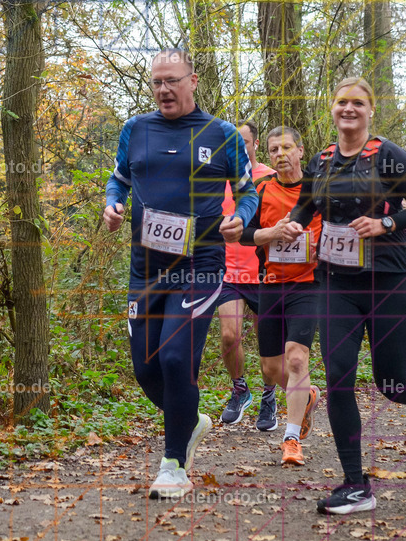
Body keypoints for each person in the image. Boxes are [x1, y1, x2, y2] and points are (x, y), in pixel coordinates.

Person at [282, 77, 406, 515]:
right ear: (332, 109)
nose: (348, 109)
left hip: (389, 282)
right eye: (341, 102)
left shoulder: (388, 156)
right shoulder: (320, 161)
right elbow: (306, 205)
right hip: (337, 283)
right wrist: (295, 223)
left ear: (370, 110)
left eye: (357, 103)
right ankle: (355, 485)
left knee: (390, 381)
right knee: (338, 377)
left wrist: (387, 225)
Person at [103, 49, 258, 499]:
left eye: (172, 80)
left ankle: (173, 464)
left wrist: (241, 219)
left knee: (175, 361)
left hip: (201, 264)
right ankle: (189, 421)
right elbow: (119, 180)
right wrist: (112, 204)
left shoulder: (222, 134)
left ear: (193, 81)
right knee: (146, 368)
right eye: (156, 82)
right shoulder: (135, 130)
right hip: (145, 268)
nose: (164, 90)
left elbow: (247, 192)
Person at [240, 127, 322, 465]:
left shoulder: (319, 189)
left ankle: (291, 440)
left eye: (287, 147)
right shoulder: (261, 189)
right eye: (274, 150)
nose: (280, 154)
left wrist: (325, 247)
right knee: (272, 369)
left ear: (301, 151)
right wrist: (270, 233)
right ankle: (307, 395)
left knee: (297, 359)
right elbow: (243, 235)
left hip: (310, 284)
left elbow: (343, 228)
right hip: (271, 283)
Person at [216, 121, 276, 427]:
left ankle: (269, 395)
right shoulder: (217, 180)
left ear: (255, 145)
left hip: (265, 274)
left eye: (244, 142)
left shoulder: (270, 177)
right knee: (229, 336)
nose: (238, 147)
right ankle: (240, 389)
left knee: (270, 348)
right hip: (229, 274)